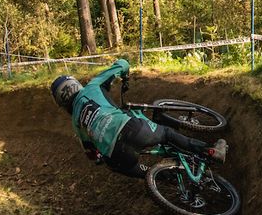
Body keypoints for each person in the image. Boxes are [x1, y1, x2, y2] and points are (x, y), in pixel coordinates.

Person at [50, 59, 227, 178]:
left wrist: (98, 155)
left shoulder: (76, 123)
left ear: (62, 103)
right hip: (130, 128)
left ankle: (163, 176)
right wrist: (125, 77)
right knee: (165, 133)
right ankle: (210, 151)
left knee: (127, 168)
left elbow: (90, 153)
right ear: (75, 85)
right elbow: (122, 63)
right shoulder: (92, 87)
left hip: (116, 157)